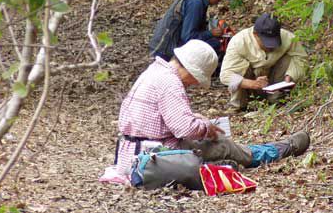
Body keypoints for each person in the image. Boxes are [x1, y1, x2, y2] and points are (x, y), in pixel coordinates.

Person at [102, 39, 310, 186]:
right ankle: (280, 150)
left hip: (130, 155)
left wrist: (197, 120)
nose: (194, 84)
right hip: (155, 155)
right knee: (224, 145)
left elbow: (165, 119)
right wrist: (207, 128)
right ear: (192, 71)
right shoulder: (170, 82)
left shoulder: (155, 71)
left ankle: (242, 157)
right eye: (197, 78)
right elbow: (184, 128)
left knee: (224, 147)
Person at [220, 13, 308, 111]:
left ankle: (276, 100)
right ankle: (240, 105)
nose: (270, 47)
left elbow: (301, 58)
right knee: (239, 70)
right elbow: (226, 75)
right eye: (266, 42)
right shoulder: (239, 42)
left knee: (290, 58)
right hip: (250, 84)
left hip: (274, 78)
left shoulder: (288, 38)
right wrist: (252, 84)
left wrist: (291, 75)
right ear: (255, 35)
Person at [149, 0, 232, 61]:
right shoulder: (195, 3)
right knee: (215, 44)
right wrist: (211, 33)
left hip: (162, 47)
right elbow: (188, 38)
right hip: (165, 52)